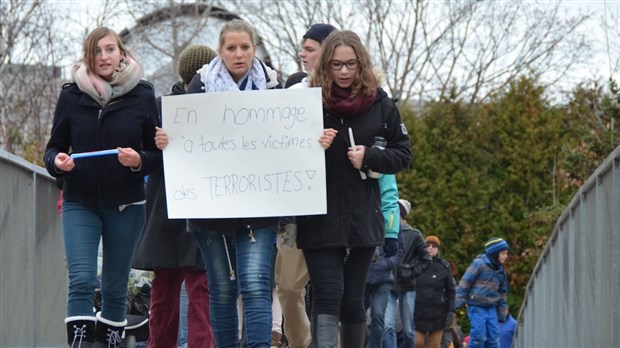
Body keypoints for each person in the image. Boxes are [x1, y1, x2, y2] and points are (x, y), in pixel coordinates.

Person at [43, 26, 161, 347]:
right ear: (88, 57)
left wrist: (138, 160)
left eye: (110, 49)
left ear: (121, 54)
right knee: (81, 280)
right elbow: (52, 149)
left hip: (126, 206)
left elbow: (157, 155)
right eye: (97, 51)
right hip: (80, 201)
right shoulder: (71, 95)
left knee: (114, 286)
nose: (104, 56)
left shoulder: (143, 94)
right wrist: (58, 163)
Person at [297, 29, 412, 348]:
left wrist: (370, 156)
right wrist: (312, 146)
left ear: (362, 64)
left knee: (352, 299)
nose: (344, 72)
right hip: (319, 214)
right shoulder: (306, 101)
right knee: (328, 292)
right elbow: (283, 152)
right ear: (325, 66)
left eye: (350, 64)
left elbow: (403, 153)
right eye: (336, 65)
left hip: (364, 215)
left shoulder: (381, 102)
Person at [132, 44, 217, 348]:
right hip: (170, 205)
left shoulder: (220, 108)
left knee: (190, 290)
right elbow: (144, 153)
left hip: (190, 207)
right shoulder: (160, 108)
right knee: (178, 292)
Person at [276, 22, 337, 348]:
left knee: (335, 294)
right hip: (294, 215)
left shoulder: (348, 99)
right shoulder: (291, 92)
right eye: (302, 47)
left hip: (335, 211)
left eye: (310, 48)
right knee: (287, 288)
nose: (302, 53)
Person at [364, 174, 402, 348]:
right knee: (358, 316)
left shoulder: (390, 217)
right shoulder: (363, 214)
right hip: (362, 275)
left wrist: (387, 264)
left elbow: (399, 249)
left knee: (379, 317)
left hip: (383, 279)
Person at [455, 238, 509, 348]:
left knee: (494, 338)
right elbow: (465, 283)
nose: (506, 256)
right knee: (479, 336)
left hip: (491, 308)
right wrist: (456, 303)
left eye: (506, 253)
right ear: (495, 253)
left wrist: (502, 313)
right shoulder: (479, 264)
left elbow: (503, 293)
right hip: (477, 306)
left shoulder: (501, 271)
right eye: (503, 253)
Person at [395, 199, 432, 348]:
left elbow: (427, 260)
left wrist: (410, 272)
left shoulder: (415, 235)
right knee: (388, 326)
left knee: (409, 330)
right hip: (390, 284)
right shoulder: (386, 232)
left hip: (408, 286)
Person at [414, 236, 456, 348]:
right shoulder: (417, 264)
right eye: (427, 246)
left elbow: (451, 291)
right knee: (417, 343)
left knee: (435, 345)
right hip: (418, 313)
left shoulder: (444, 267)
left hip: (438, 314)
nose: (430, 248)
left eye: (434, 246)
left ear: (438, 249)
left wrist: (451, 310)